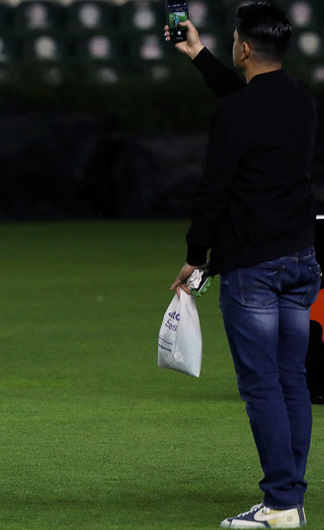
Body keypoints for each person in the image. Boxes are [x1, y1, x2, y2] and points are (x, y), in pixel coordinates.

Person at [166, 4, 320, 528]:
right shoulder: (301, 100)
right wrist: (201, 56)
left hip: (253, 266)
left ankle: (280, 503)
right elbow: (251, 102)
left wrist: (194, 257)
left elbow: (213, 191)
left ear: (245, 48)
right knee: (291, 380)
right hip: (302, 260)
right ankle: (290, 497)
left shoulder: (237, 113)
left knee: (261, 386)